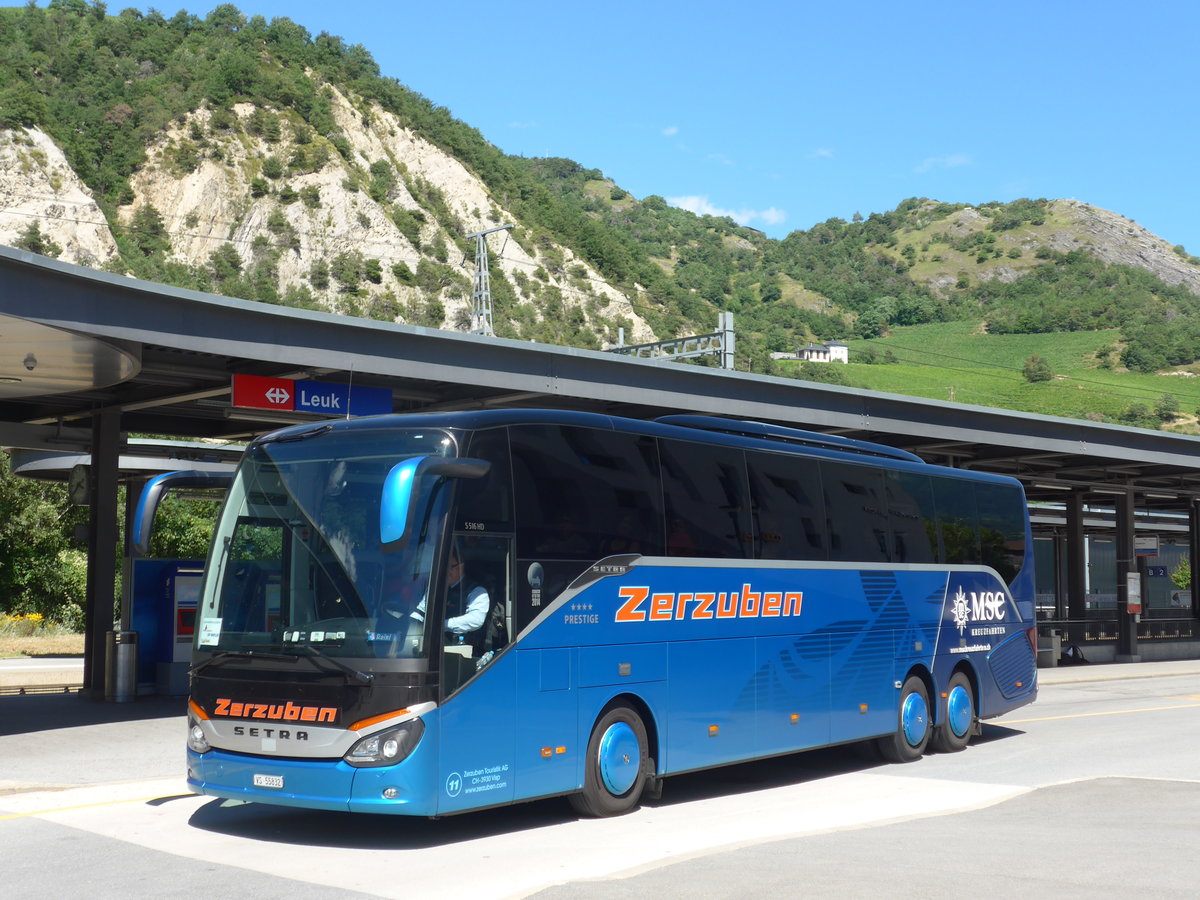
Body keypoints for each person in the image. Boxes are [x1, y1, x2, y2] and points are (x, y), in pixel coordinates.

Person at [412, 544, 490, 651]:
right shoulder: (435, 587)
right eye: (443, 567)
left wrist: (442, 625)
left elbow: (476, 620)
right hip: (433, 646)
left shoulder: (477, 591)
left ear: (461, 567)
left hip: (463, 649)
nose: (445, 571)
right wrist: (409, 624)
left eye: (450, 567)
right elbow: (420, 612)